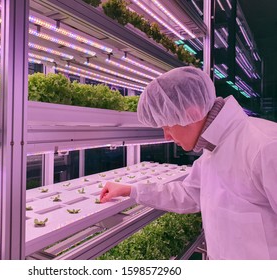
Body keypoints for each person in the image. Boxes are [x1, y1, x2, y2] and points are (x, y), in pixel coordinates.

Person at [100, 66, 277, 260]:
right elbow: (190, 193)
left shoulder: (266, 147)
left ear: (191, 114)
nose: (166, 136)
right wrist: (131, 190)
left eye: (167, 126)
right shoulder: (212, 153)